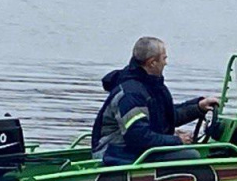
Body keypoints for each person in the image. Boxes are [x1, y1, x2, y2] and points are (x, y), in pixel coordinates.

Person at [91, 37, 219, 166]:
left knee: (188, 151)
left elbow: (166, 116)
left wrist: (198, 107)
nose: (166, 63)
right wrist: (177, 140)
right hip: (114, 154)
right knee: (191, 156)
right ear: (152, 62)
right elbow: (139, 137)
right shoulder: (130, 94)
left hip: (130, 149)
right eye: (164, 58)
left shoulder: (151, 86)